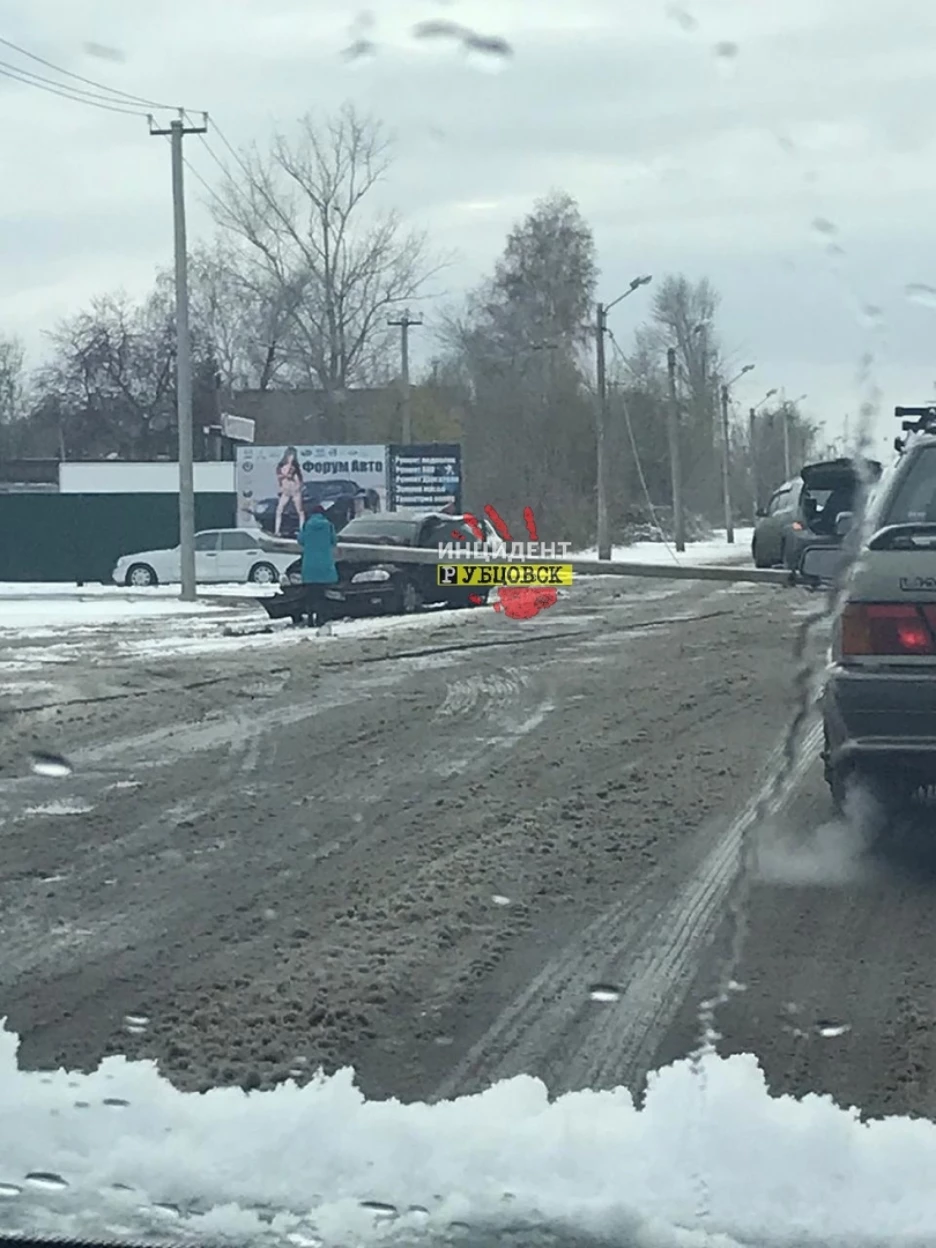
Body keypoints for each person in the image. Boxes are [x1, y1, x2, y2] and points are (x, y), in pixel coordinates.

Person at [296, 503, 338, 627]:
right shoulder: (329, 525)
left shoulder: (306, 525)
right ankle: (321, 618)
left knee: (310, 594)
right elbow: (334, 541)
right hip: (325, 565)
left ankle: (310, 618)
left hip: (309, 565)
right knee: (322, 594)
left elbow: (300, 540)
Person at [274, 447, 305, 537]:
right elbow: (280, 476)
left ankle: (301, 530)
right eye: (290, 455)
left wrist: (298, 486)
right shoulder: (281, 466)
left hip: (295, 491)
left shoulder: (295, 467)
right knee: (279, 510)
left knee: (300, 511)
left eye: (293, 456)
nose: (292, 457)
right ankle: (277, 530)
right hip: (286, 492)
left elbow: (297, 478)